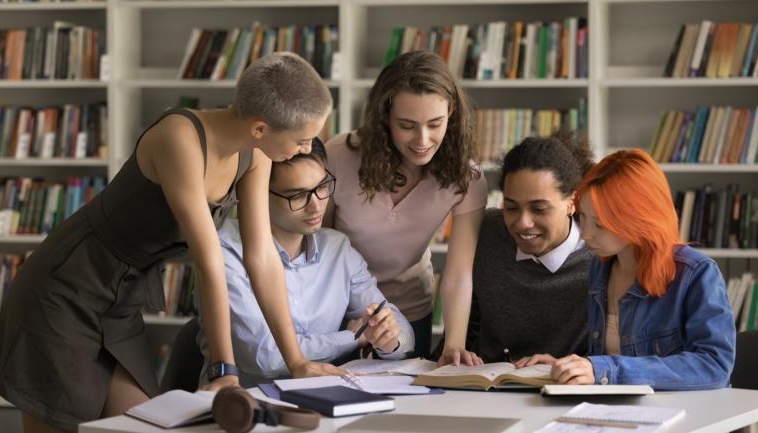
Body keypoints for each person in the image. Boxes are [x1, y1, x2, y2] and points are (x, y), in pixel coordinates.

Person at [0, 52, 339, 433]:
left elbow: (262, 257)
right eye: (303, 140)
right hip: (63, 292)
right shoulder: (180, 137)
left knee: (146, 428)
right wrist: (224, 371)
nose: (306, 149)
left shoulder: (256, 153)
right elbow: (209, 262)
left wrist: (297, 361)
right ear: (259, 128)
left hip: (119, 304)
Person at [196, 138, 414, 384]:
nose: (317, 205)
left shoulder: (337, 249)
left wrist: (388, 338)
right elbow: (264, 358)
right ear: (255, 192)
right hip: (246, 405)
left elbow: (400, 328)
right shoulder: (225, 250)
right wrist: (350, 338)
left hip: (323, 399)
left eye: (322, 186)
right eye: (297, 195)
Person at [519, 149, 736, 390]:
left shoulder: (697, 273)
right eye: (584, 217)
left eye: (600, 224)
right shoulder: (601, 269)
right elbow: (610, 359)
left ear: (637, 218)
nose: (586, 233)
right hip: (617, 410)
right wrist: (573, 368)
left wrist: (603, 370)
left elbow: (715, 366)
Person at [323, 50, 487, 364]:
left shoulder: (467, 177)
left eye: (435, 124)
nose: (423, 140)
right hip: (340, 313)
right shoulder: (338, 155)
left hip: (411, 313)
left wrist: (454, 344)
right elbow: (320, 250)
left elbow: (459, 273)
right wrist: (342, 314)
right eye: (407, 125)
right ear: (385, 116)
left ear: (451, 113)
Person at [431, 128, 596, 364]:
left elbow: (610, 353)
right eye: (511, 207)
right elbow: (466, 328)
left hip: (562, 391)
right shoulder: (486, 232)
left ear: (572, 202)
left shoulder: (598, 256)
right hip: (484, 386)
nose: (522, 223)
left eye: (539, 209)